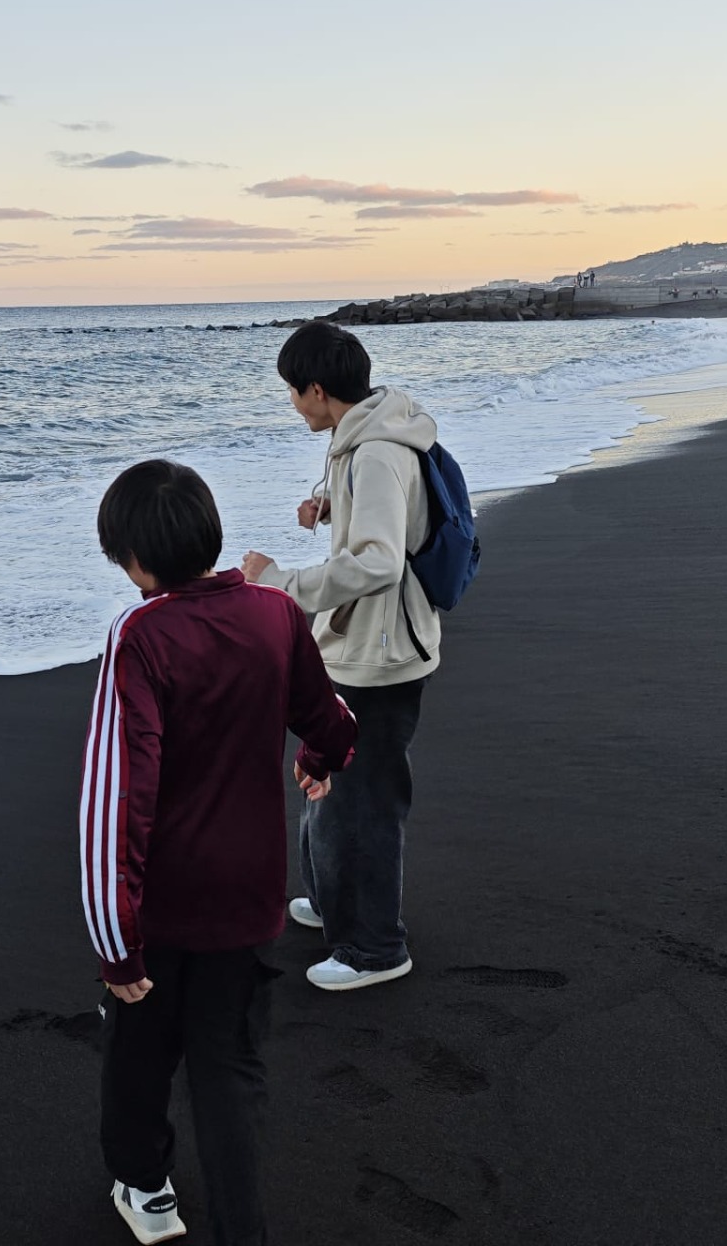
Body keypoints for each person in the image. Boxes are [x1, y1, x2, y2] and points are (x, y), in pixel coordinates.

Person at [85, 459, 357, 1246]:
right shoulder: (273, 612)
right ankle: (244, 1228)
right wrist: (321, 757)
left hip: (162, 901)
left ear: (134, 561)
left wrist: (114, 941)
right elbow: (328, 711)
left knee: (139, 1046)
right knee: (229, 1066)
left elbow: (117, 795)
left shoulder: (140, 634)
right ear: (211, 534)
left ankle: (148, 1191)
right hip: (249, 894)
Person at [240, 322, 440, 993]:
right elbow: (389, 522)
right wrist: (331, 509)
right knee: (331, 780)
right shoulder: (359, 439)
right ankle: (332, 901)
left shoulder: (375, 452)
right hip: (363, 642)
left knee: (364, 801)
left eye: (292, 393)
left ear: (317, 390)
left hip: (380, 652)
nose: (292, 405)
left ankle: (376, 948)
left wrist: (283, 588)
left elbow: (381, 562)